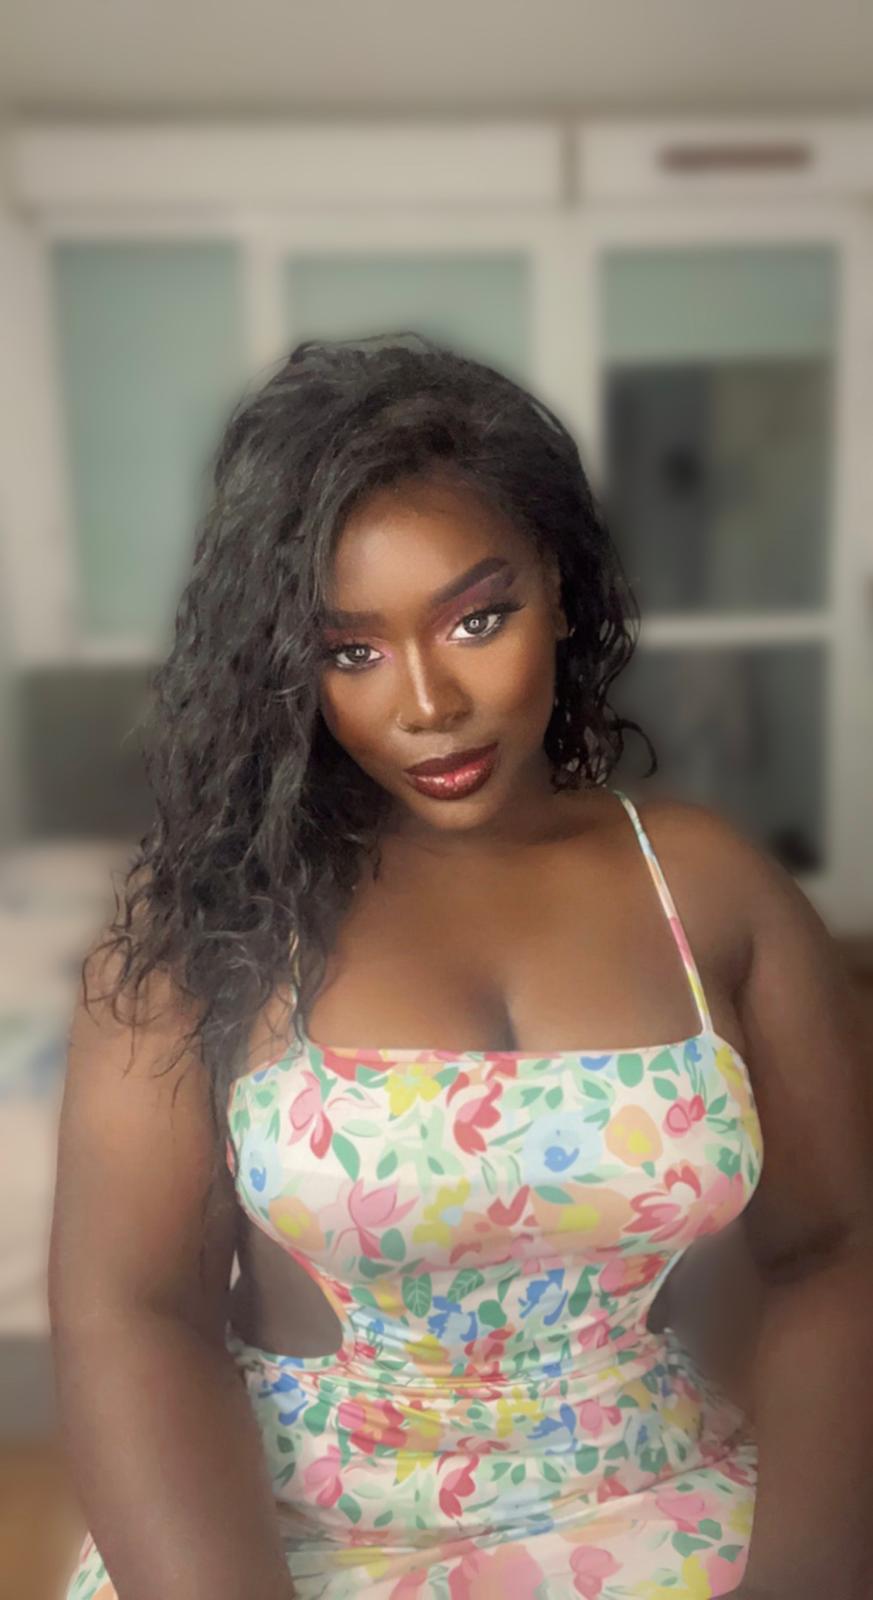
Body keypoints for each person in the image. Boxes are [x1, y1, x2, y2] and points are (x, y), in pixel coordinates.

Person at [51, 336, 873, 1600]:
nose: (427, 701)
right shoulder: (210, 924)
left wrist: (803, 1582)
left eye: (477, 619)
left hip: (662, 1504)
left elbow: (835, 1251)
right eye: (352, 650)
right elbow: (132, 1313)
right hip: (281, 1537)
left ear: (562, 586)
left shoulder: (709, 889)